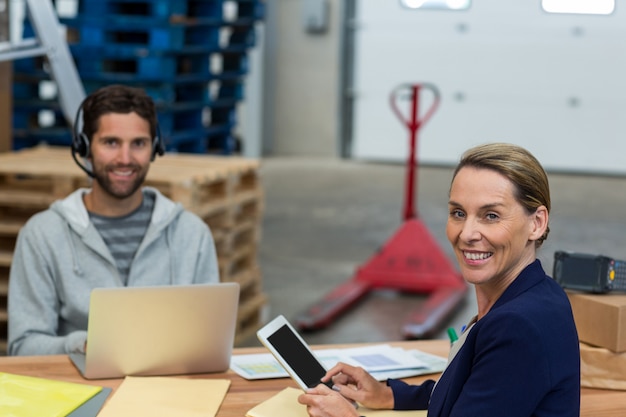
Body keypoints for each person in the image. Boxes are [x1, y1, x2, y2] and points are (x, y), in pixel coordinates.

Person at [298, 143, 580, 417]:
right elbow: (482, 387)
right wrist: (388, 395)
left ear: (537, 223)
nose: (467, 233)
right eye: (458, 213)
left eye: (491, 215)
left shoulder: (517, 326)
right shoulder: (541, 293)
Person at [8, 85, 220, 356]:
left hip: (169, 388)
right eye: (111, 143)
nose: (125, 159)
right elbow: (23, 346)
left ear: (155, 149)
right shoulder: (43, 234)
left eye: (138, 144)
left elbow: (210, 341)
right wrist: (83, 345)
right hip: (80, 389)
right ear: (85, 148)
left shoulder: (191, 234)